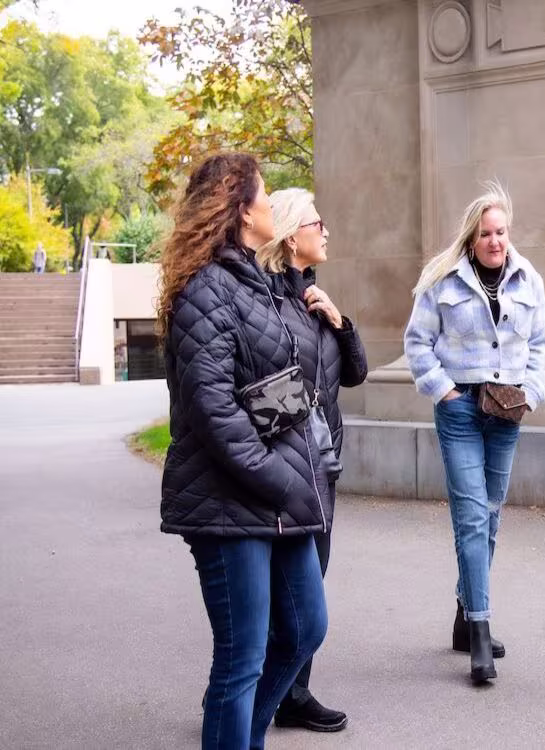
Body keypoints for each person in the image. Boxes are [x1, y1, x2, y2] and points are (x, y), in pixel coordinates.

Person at [157, 153, 331, 749]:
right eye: (263, 192)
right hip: (230, 500)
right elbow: (212, 410)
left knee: (305, 629)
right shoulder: (205, 289)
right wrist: (279, 478)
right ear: (241, 209)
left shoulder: (255, 281)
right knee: (241, 657)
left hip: (278, 490)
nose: (270, 201)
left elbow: (275, 382)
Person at [403, 181, 545, 684]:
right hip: (461, 410)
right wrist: (444, 391)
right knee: (471, 517)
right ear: (471, 238)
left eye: (501, 232)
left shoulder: (528, 279)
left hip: (506, 412)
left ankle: (465, 617)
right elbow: (417, 343)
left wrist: (531, 393)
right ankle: (481, 634)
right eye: (486, 233)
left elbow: (540, 345)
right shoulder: (443, 280)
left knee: (489, 518)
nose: (495, 241)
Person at [255, 188, 368, 732]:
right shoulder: (267, 301)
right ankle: (258, 692)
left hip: (322, 463)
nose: (326, 232)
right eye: (316, 223)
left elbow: (356, 374)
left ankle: (289, 692)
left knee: (310, 579)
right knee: (282, 591)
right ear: (290, 235)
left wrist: (339, 322)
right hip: (287, 464)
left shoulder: (313, 298)